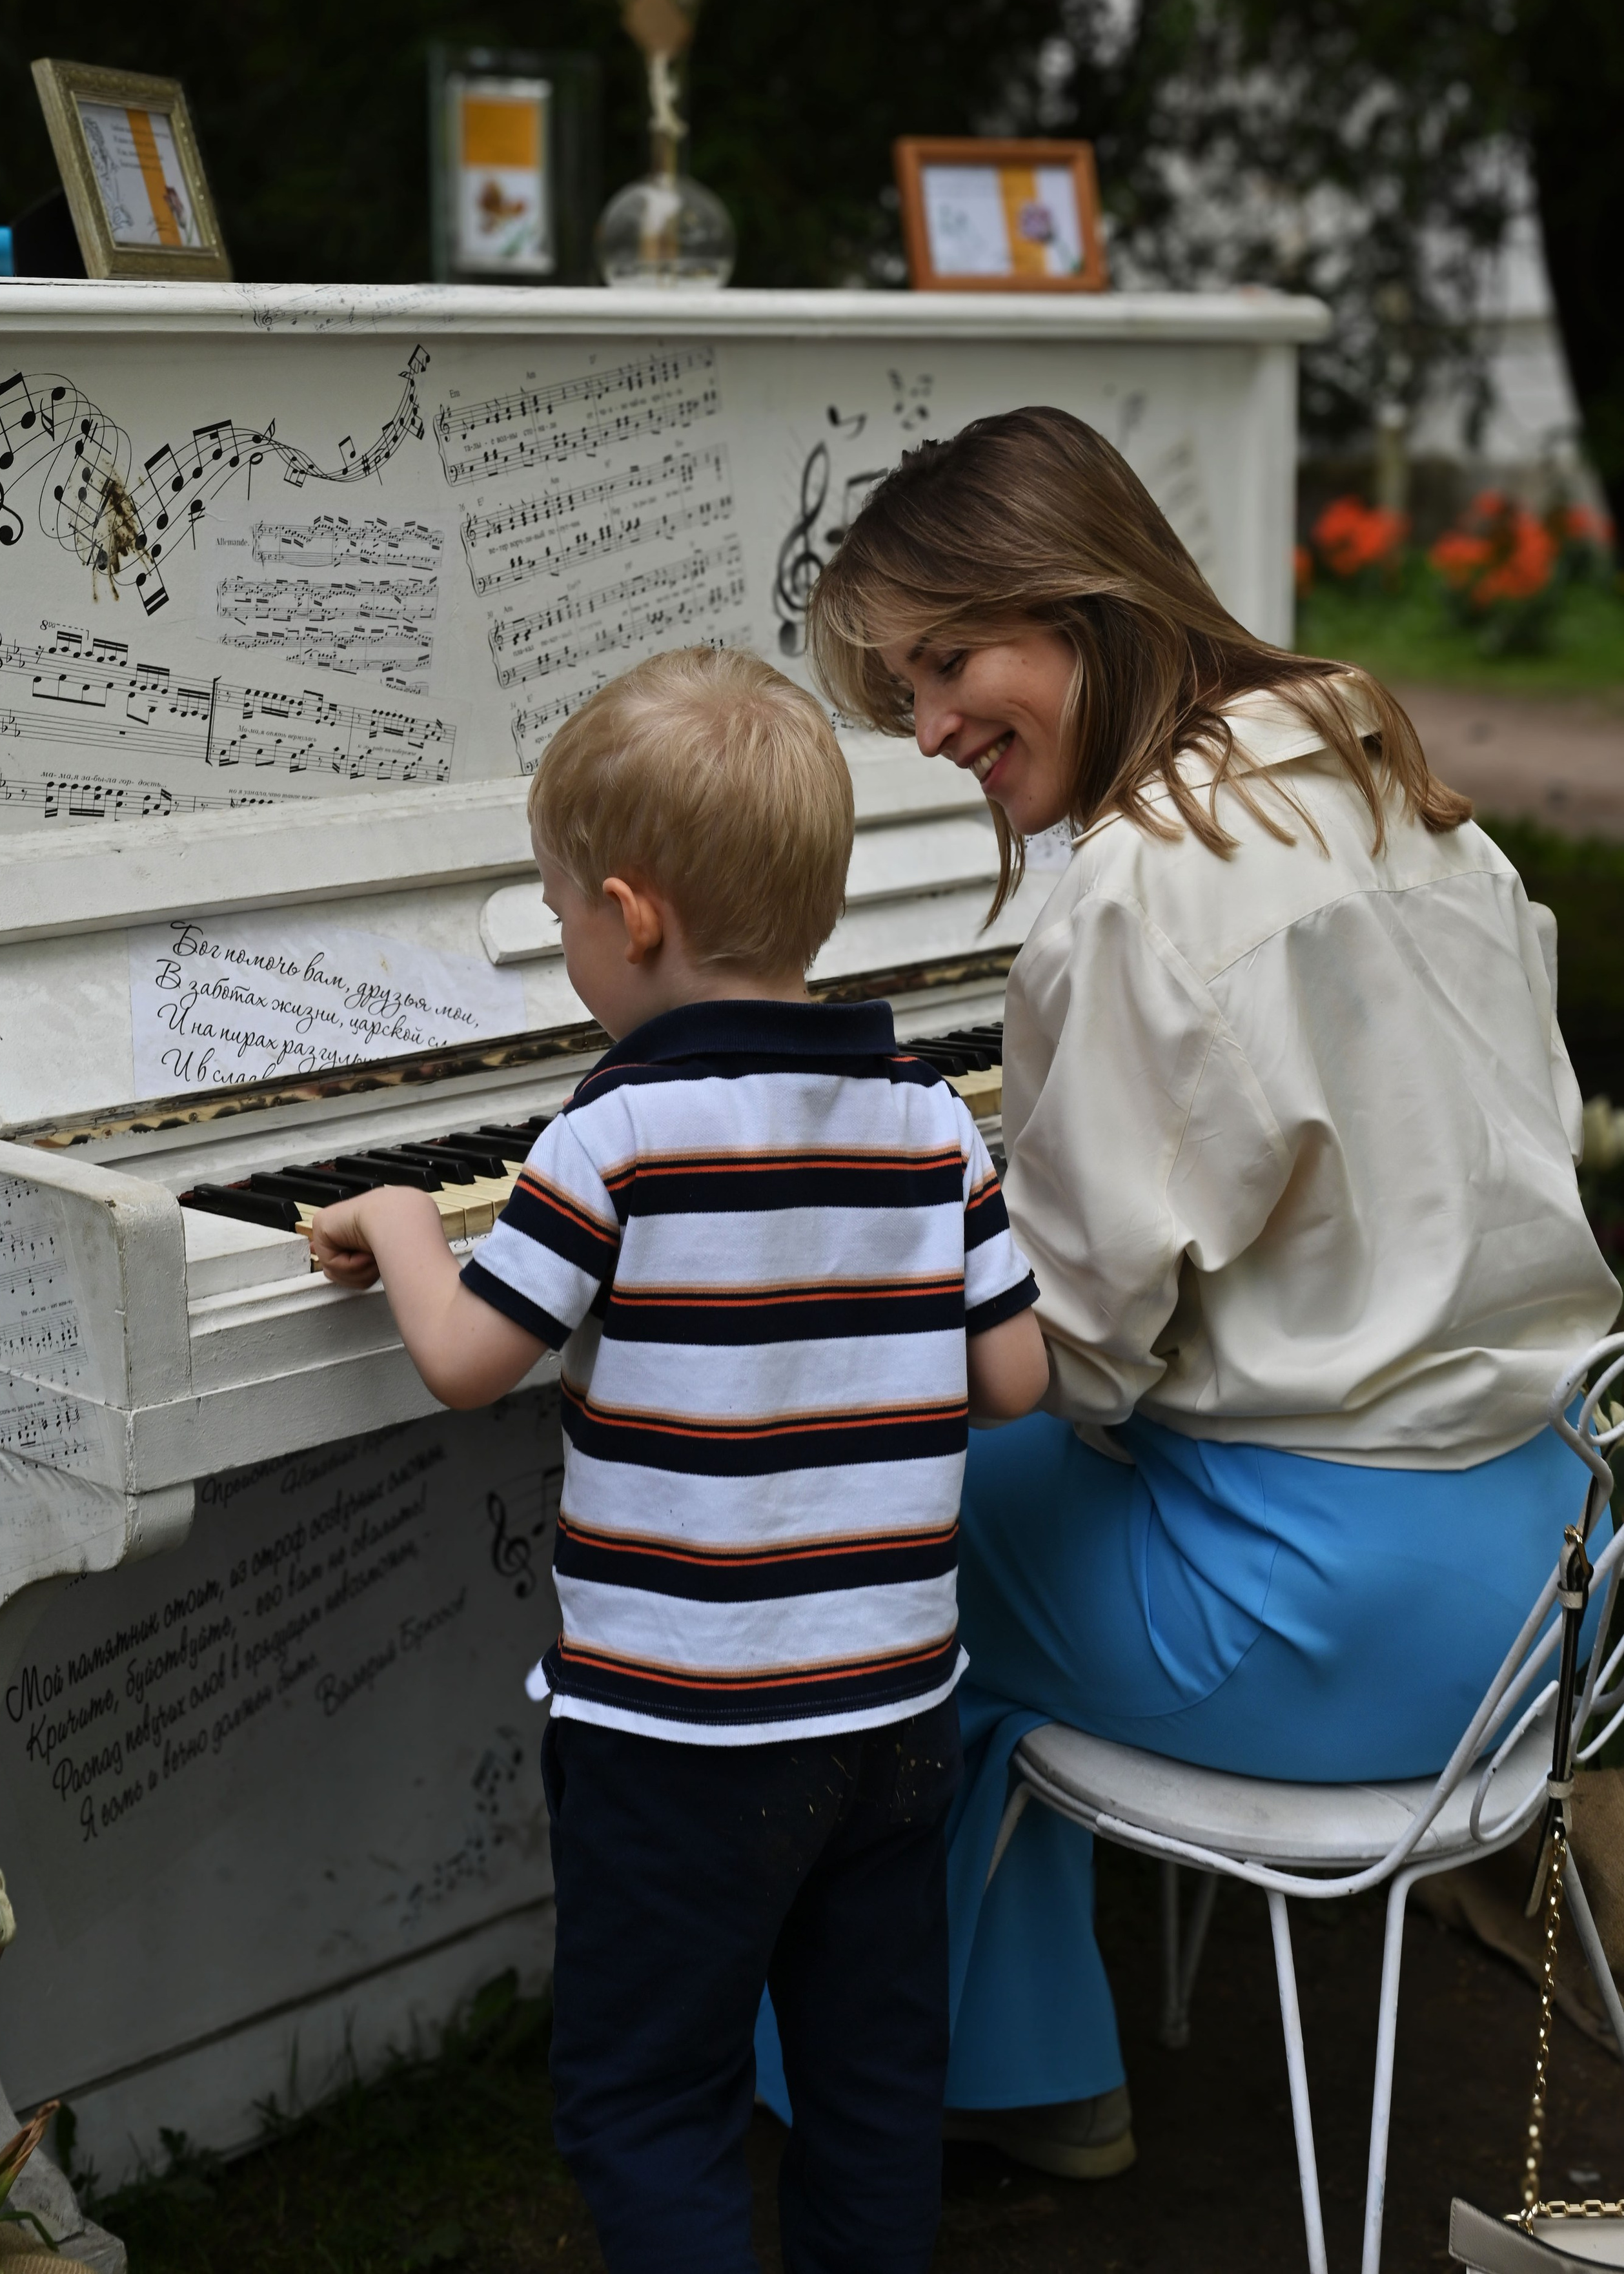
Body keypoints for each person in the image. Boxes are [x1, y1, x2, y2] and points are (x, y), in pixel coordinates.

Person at [799, 406, 1621, 2181]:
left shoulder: (1137, 887)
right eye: (906, 691)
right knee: (987, 1510)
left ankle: (929, 2086)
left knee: (862, 1523)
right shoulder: (1386, 781)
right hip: (1559, 1570)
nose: (927, 730)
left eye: (949, 665)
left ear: (1075, 605)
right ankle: (1025, 2058)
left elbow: (1069, 1364)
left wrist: (854, 1256)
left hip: (1342, 1622)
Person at [307, 645, 1048, 2274]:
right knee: (871, 2089)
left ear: (629, 918)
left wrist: (396, 1222)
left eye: (558, 915)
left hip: (678, 1739)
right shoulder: (931, 1119)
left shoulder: (613, 1135)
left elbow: (465, 1362)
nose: (566, 947)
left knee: (649, 2097)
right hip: (890, 1719)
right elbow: (1014, 1378)